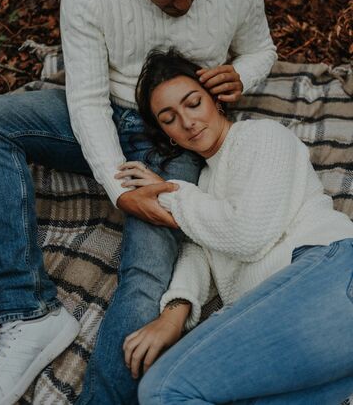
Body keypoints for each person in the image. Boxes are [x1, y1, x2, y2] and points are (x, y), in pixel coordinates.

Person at [0, 0, 277, 405]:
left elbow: (261, 48)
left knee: (146, 277)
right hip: (105, 111)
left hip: (174, 136)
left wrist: (244, 73)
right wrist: (117, 187)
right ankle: (29, 309)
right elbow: (84, 99)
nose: (183, 6)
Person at [119, 48, 353, 405]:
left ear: (216, 100)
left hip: (329, 270)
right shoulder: (204, 191)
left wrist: (167, 192)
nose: (187, 121)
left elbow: (246, 233)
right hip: (299, 320)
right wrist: (174, 313)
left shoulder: (262, 137)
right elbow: (200, 250)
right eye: (169, 117)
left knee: (164, 390)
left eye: (193, 103)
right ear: (167, 135)